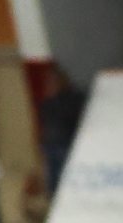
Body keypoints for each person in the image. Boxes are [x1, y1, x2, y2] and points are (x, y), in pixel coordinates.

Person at [36, 63, 87, 201]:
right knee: (52, 178)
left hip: (65, 144)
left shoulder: (72, 99)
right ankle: (52, 198)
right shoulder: (49, 102)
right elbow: (44, 123)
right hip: (51, 145)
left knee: (64, 176)